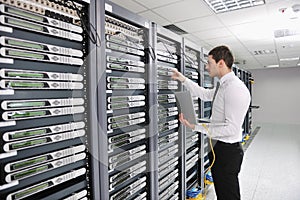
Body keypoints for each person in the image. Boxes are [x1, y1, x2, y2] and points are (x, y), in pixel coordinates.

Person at [172, 45, 251, 200]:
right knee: (222, 193)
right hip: (219, 148)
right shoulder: (223, 85)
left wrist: (197, 127)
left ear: (221, 63)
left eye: (209, 63)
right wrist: (183, 79)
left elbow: (231, 129)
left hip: (228, 152)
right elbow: (205, 94)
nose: (206, 67)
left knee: (229, 195)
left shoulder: (235, 89)